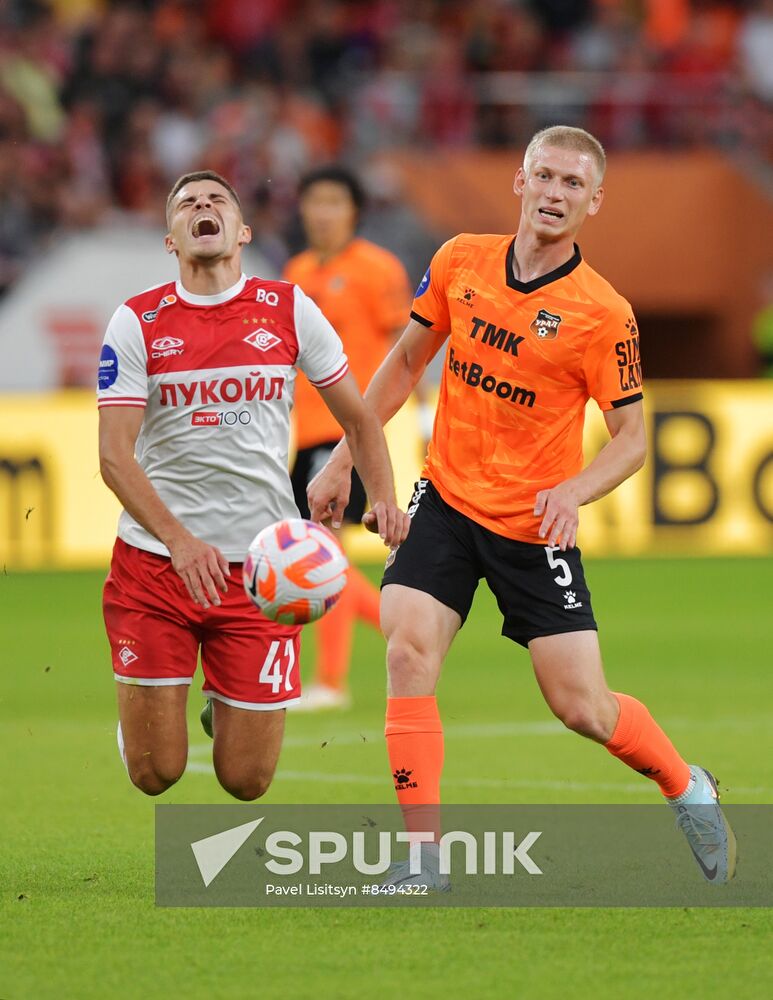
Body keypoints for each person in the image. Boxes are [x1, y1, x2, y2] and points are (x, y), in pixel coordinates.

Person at [309, 126, 737, 885]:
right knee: (407, 652)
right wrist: (346, 457)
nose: (553, 193)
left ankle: (685, 785)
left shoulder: (601, 314)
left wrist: (572, 491)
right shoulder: (458, 260)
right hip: (443, 499)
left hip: (531, 526)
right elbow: (406, 360)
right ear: (519, 180)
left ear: (593, 202)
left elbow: (632, 437)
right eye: (543, 175)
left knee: (581, 708)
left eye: (572, 184)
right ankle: (423, 860)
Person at [97, 169, 409, 800]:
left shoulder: (289, 306)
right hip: (158, 565)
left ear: (242, 232)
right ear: (171, 239)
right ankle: (142, 720)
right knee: (157, 773)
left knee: (246, 780)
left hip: (263, 572)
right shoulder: (136, 322)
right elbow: (113, 456)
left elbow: (358, 414)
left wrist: (380, 494)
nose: (201, 207)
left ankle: (222, 705)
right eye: (187, 204)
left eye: (217, 201)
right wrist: (181, 542)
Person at [285, 165, 425, 711]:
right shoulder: (296, 271)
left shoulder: (377, 269)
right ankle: (400, 626)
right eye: (314, 201)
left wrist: (397, 421)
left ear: (354, 211)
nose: (322, 212)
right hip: (304, 430)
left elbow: (406, 349)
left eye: (333, 202)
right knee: (324, 553)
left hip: (347, 433)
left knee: (322, 551)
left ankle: (331, 681)